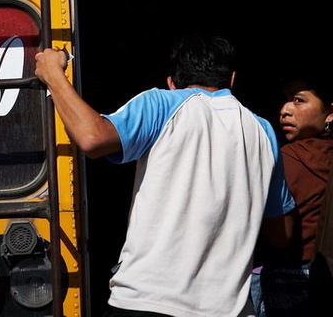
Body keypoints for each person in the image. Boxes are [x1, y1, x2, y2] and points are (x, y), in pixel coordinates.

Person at [35, 34, 295, 317]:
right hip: (228, 309)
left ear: (172, 82)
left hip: (146, 301)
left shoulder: (161, 103)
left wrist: (53, 76)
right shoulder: (264, 132)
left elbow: (92, 138)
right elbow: (281, 235)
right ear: (231, 80)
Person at [260, 77, 333, 317]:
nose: (284, 111)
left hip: (288, 274)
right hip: (328, 274)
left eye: (298, 100)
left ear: (330, 112)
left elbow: (277, 237)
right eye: (284, 101)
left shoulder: (286, 158)